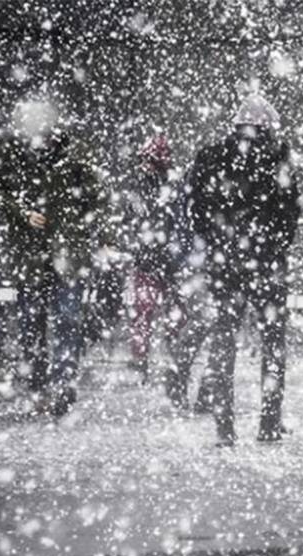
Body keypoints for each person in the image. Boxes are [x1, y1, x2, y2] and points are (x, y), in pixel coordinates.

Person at [171, 93, 300, 445]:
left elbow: (195, 208)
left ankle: (224, 426)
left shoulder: (211, 156)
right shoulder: (278, 159)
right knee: (273, 342)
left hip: (224, 265)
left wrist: (215, 244)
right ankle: (269, 422)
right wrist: (271, 247)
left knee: (223, 339)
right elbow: (290, 213)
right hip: (266, 264)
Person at [0, 101, 108, 417]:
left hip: (67, 253)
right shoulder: (11, 153)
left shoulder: (76, 154)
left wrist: (76, 225)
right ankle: (40, 384)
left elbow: (99, 198)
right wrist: (21, 212)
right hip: (29, 255)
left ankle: (62, 385)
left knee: (67, 319)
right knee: (31, 324)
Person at [126, 134, 178, 379]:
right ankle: (164, 355)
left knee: (146, 312)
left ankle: (147, 357)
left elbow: (134, 219)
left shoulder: (143, 186)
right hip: (159, 258)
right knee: (153, 311)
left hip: (154, 257)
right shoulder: (168, 185)